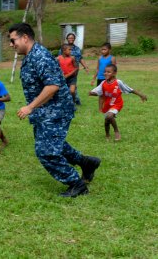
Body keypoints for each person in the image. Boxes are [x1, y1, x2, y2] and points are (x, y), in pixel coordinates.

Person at [9, 22, 101, 197]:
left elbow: (53, 86)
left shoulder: (40, 56)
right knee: (54, 145)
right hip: (45, 111)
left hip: (56, 110)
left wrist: (30, 107)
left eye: (13, 40)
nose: (11, 44)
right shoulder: (30, 56)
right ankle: (87, 163)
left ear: (25, 37)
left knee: (46, 152)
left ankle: (76, 184)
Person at [89, 64, 147, 141]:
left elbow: (130, 89)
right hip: (107, 105)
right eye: (105, 72)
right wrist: (92, 93)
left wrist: (141, 95)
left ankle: (116, 131)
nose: (106, 73)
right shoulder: (103, 83)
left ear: (114, 73)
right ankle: (107, 134)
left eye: (109, 72)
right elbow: (99, 93)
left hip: (117, 104)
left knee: (110, 116)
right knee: (107, 121)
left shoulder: (118, 82)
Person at [58, 33, 89, 105]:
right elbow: (60, 60)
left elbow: (80, 58)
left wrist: (85, 66)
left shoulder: (77, 49)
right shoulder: (63, 48)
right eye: (69, 38)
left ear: (74, 39)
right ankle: (75, 100)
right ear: (67, 39)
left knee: (72, 84)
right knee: (68, 86)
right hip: (64, 71)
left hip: (74, 70)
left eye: (72, 38)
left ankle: (74, 100)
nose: (71, 39)